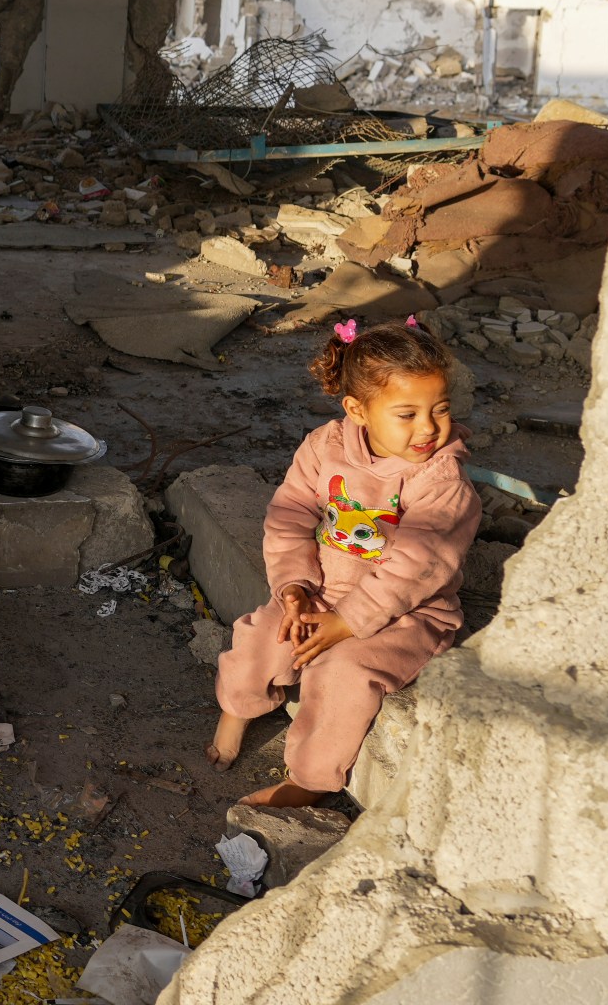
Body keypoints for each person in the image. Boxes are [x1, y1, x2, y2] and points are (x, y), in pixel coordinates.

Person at [204, 317, 481, 806]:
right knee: (263, 633)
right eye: (407, 414)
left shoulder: (442, 482)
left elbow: (417, 567)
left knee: (345, 674)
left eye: (440, 409)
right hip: (323, 590)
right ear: (358, 410)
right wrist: (293, 588)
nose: (429, 428)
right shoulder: (325, 447)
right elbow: (289, 513)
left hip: (407, 612)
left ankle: (309, 780)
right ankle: (239, 708)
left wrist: (347, 624)